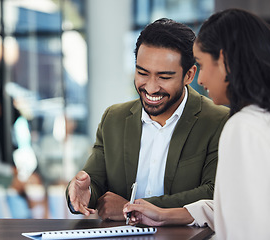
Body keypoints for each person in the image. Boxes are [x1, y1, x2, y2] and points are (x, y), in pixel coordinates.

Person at [123, 8, 270, 239]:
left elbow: (252, 230)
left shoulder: (243, 127)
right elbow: (238, 207)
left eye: (203, 65)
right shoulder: (269, 119)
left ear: (225, 62)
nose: (201, 79)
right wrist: (165, 214)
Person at [66, 18, 229, 221]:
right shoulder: (114, 118)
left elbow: (215, 193)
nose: (151, 88)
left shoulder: (218, 121)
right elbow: (95, 180)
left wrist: (130, 208)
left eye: (164, 77)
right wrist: (84, 192)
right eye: (142, 73)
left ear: (189, 75)